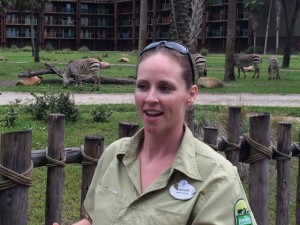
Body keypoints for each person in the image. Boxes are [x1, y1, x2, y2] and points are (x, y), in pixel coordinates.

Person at [54, 41, 257, 225]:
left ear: (191, 94)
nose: (150, 98)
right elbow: (92, 219)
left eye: (165, 88)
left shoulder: (217, 178)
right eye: (143, 86)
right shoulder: (114, 155)